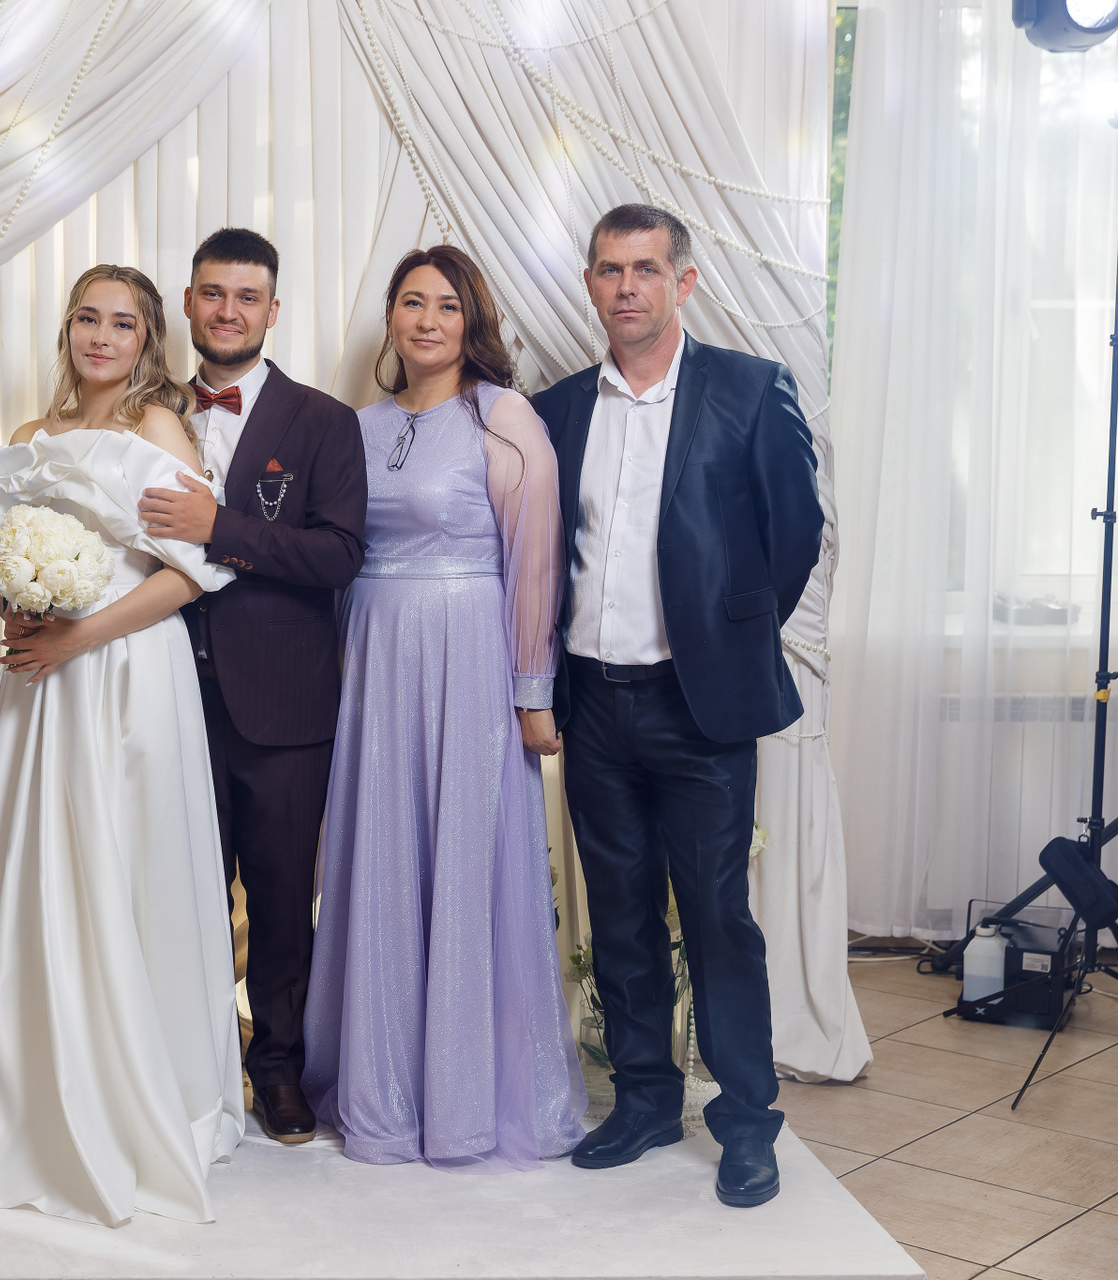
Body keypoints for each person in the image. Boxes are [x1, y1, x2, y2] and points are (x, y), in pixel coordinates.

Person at [0, 265, 245, 1226]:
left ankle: (135, 1080)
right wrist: (23, 613)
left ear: (147, 339)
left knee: (124, 853)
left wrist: (79, 635)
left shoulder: (160, 429)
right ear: (66, 330)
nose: (100, 337)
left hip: (127, 674)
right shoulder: (27, 437)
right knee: (36, 860)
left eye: (122, 324)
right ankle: (18, 1070)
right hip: (38, 687)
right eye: (86, 319)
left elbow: (192, 572)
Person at [529, 204, 824, 1208]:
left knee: (716, 919)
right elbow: (547, 555)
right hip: (593, 704)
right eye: (610, 269)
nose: (627, 287)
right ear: (590, 282)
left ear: (683, 281)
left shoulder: (748, 389)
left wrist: (725, 639)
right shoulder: (559, 408)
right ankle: (647, 1101)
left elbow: (794, 536)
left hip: (700, 710)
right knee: (618, 916)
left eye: (646, 269)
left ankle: (747, 1122)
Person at [302, 246, 586, 1168]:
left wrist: (532, 691)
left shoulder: (504, 418)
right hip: (371, 661)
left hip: (468, 657)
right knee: (379, 856)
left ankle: (464, 1100)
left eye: (447, 306)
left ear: (473, 322)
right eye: (412, 302)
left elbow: (534, 561)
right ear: (390, 317)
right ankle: (380, 1087)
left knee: (465, 858)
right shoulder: (355, 425)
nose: (427, 320)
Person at [137, 229, 368, 1144]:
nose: (227, 311)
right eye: (212, 293)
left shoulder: (324, 421)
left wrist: (220, 526)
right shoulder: (145, 411)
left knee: (278, 901)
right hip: (163, 694)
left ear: (274, 310)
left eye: (246, 297)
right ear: (188, 303)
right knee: (177, 889)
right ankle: (182, 1065)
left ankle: (277, 1070)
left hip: (284, 703)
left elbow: (338, 555)